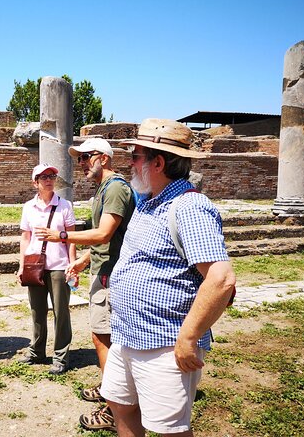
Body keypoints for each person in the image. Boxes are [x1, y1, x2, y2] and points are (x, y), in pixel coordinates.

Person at [101, 119, 236, 436]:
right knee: (121, 406)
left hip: (164, 343)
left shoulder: (189, 206)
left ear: (157, 162)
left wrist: (188, 338)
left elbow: (221, 279)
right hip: (127, 335)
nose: (129, 163)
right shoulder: (147, 202)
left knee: (168, 429)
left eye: (135, 156)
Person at [35, 138, 135, 431]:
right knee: (104, 338)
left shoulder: (115, 188)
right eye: (79, 159)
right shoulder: (105, 189)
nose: (81, 164)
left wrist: (61, 237)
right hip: (103, 268)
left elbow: (104, 233)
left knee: (104, 339)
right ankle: (110, 388)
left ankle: (113, 408)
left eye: (85, 157)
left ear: (103, 158)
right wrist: (84, 260)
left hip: (112, 274)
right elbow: (112, 237)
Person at [17, 164, 77, 375]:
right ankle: (37, 351)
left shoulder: (65, 206)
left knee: (61, 313)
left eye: (51, 176)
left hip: (59, 265)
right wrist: (22, 265)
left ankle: (61, 355)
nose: (49, 179)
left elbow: (71, 239)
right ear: (35, 182)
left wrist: (72, 265)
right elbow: (25, 238)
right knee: (37, 311)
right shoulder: (28, 207)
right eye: (43, 177)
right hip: (35, 265)